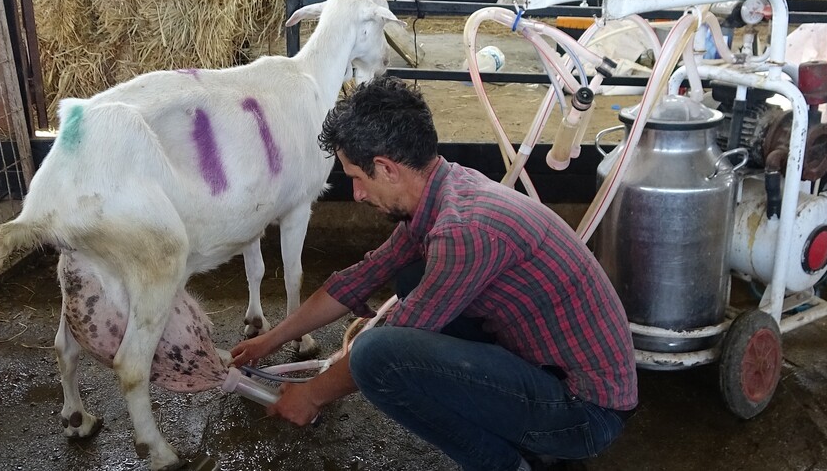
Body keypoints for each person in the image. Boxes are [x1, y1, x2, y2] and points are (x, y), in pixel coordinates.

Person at [230, 76, 638, 471]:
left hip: (584, 414)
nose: (356, 195)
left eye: (356, 178)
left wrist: (311, 396)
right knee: (409, 279)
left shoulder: (461, 230)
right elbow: (358, 278)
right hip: (549, 372)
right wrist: (270, 340)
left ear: (386, 168)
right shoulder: (442, 190)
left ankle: (506, 463)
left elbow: (394, 342)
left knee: (375, 357)